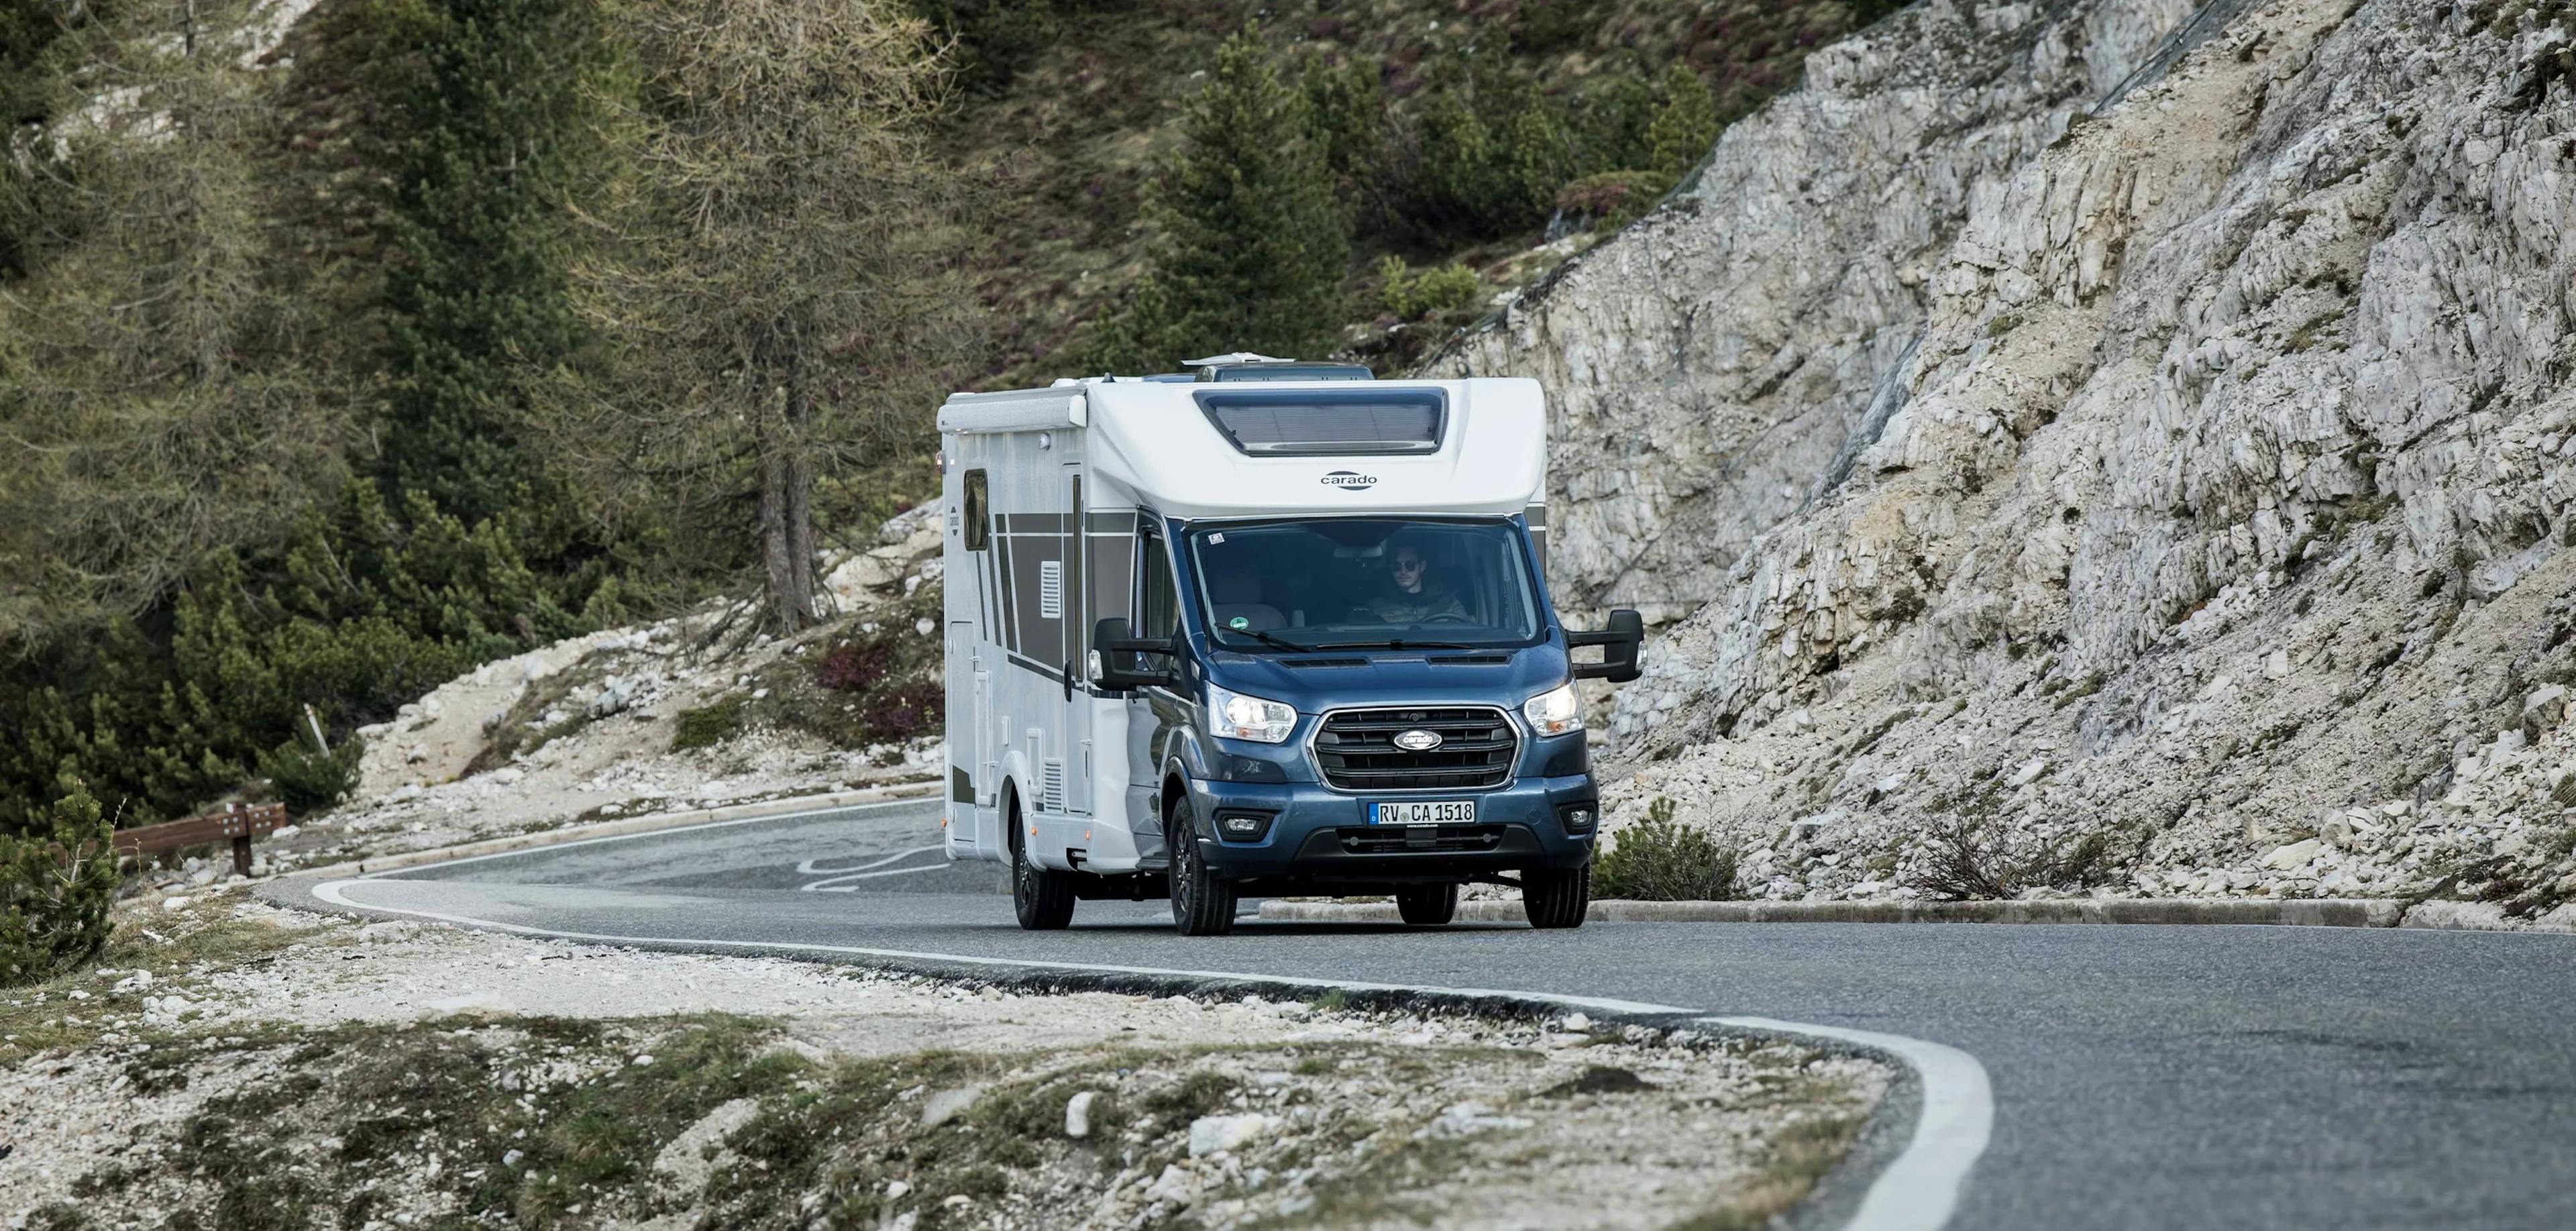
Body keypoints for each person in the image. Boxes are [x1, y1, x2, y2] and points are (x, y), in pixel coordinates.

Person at [1368, 541, 1466, 623]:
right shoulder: (1377, 607)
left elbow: (1465, 635)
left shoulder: (1449, 604)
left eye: (1410, 565)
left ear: (1422, 567)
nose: (1403, 572)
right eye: (1396, 566)